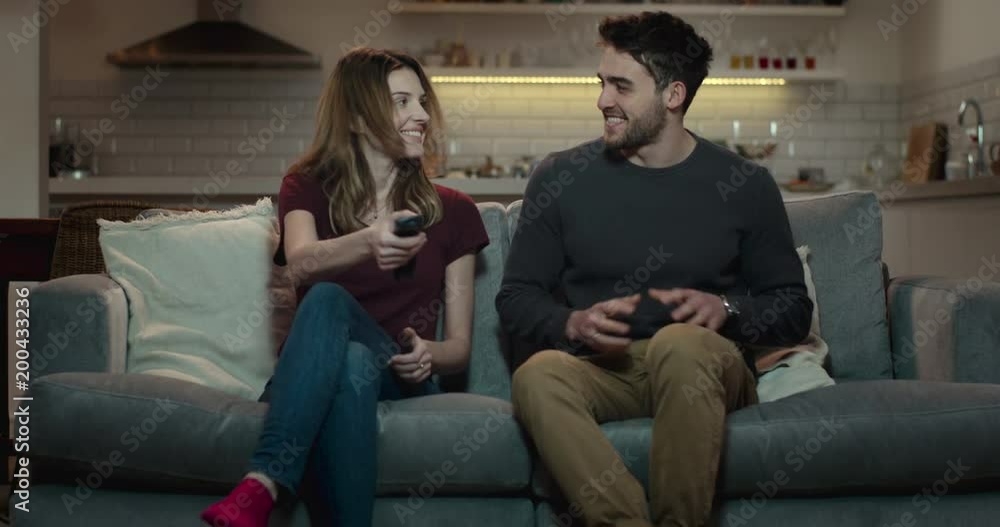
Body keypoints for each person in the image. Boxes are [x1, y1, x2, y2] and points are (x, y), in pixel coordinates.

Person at [496, 12, 813, 527]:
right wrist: (571, 322)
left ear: (673, 95)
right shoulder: (560, 177)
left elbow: (793, 310)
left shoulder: (745, 184)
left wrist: (726, 308)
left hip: (704, 367)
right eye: (601, 83)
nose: (602, 100)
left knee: (679, 343)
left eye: (621, 86)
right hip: (607, 369)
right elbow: (516, 298)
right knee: (537, 375)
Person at [201, 47, 489, 527]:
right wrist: (368, 240)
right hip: (316, 372)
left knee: (334, 305)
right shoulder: (306, 187)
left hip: (399, 378)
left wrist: (430, 354)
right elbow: (300, 263)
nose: (422, 115)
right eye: (402, 102)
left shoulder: (454, 211)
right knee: (347, 345)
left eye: (421, 101)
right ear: (356, 117)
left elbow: (459, 349)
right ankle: (265, 487)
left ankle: (262, 483)